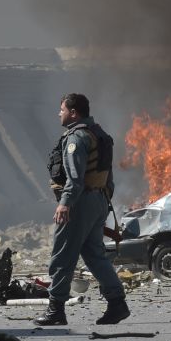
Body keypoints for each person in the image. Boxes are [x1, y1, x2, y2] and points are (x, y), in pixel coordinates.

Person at [36, 93, 129, 326]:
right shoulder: (100, 134)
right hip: (98, 200)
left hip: (79, 202)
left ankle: (56, 310)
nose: (59, 113)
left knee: (62, 256)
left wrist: (65, 203)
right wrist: (103, 203)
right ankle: (117, 303)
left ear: (73, 112)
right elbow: (109, 177)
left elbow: (75, 179)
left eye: (62, 110)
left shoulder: (76, 138)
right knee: (95, 255)